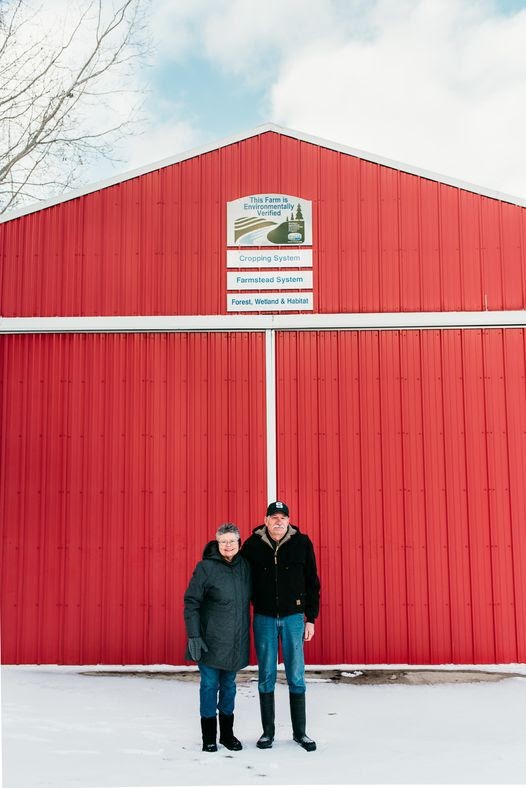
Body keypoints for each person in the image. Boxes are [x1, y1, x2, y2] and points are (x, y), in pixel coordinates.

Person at [241, 501, 320, 752]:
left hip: (294, 618)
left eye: (282, 517)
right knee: (266, 675)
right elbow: (240, 578)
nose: (278, 521)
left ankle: (300, 733)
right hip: (264, 617)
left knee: (296, 674)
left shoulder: (302, 543)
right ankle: (268, 733)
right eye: (273, 517)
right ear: (265, 521)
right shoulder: (252, 545)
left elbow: (312, 584)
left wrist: (311, 619)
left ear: (289, 520)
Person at [183, 523, 251, 753]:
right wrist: (194, 635)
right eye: (223, 541)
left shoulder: (246, 567)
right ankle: (209, 737)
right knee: (210, 686)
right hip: (210, 640)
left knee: (229, 687)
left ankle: (228, 735)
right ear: (217, 543)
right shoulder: (206, 568)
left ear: (239, 543)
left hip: (235, 641)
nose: (228, 545)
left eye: (232, 541)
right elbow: (191, 602)